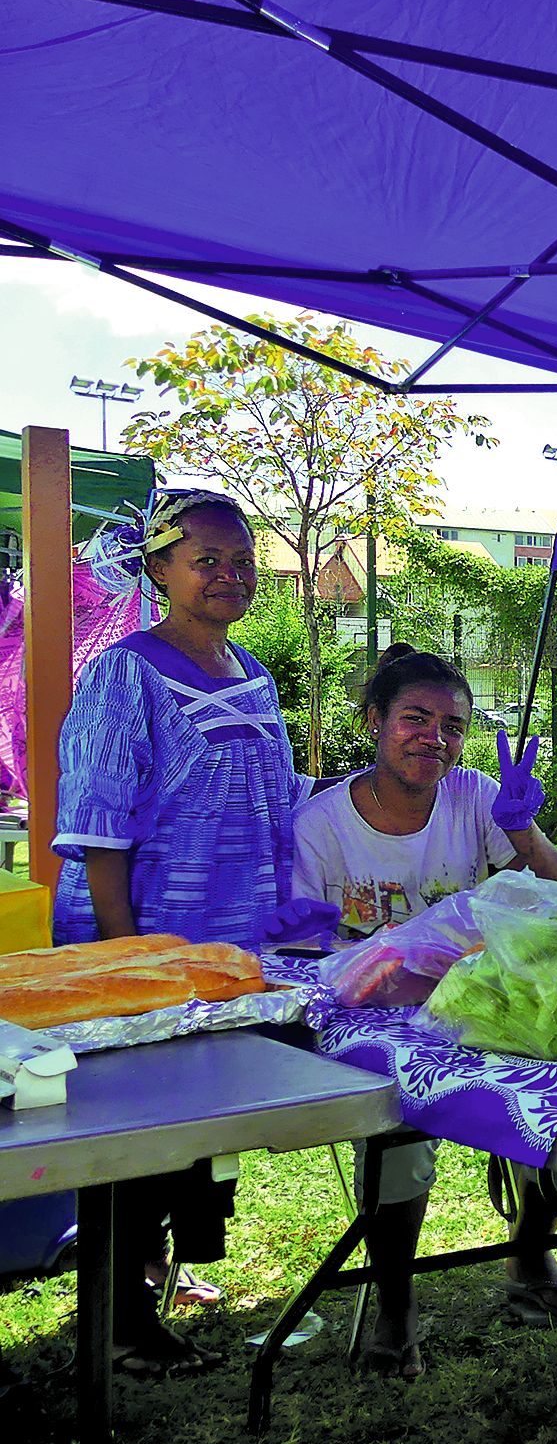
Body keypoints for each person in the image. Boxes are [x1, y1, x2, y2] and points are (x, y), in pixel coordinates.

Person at [52, 489, 331, 1376]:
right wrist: (126, 955)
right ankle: (122, 1317)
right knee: (140, 1129)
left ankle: (158, 1268)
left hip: (230, 947)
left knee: (200, 1122)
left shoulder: (251, 669)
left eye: (241, 558)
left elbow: (268, 801)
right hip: (145, 945)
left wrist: (286, 904)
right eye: (205, 559)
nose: (228, 574)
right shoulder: (125, 672)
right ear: (160, 568)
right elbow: (98, 827)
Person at [294, 649, 557, 1378]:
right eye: (415, 719)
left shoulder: (476, 795)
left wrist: (522, 831)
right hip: (372, 1014)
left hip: (478, 1002)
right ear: (374, 723)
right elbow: (306, 959)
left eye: (452, 725)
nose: (435, 738)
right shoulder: (321, 825)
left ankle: (530, 1259)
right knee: (398, 1123)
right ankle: (395, 1305)